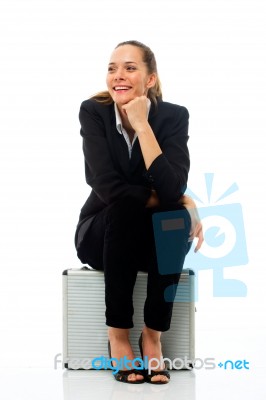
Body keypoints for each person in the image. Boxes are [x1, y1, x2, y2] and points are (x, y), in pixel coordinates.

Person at [74, 40, 203, 384]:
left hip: (147, 244)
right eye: (112, 68)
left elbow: (172, 186)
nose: (118, 76)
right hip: (101, 234)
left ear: (149, 79)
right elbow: (108, 187)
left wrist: (143, 126)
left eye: (130, 68)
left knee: (173, 220)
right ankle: (117, 334)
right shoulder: (94, 111)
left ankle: (152, 335)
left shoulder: (173, 116)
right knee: (131, 207)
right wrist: (182, 201)